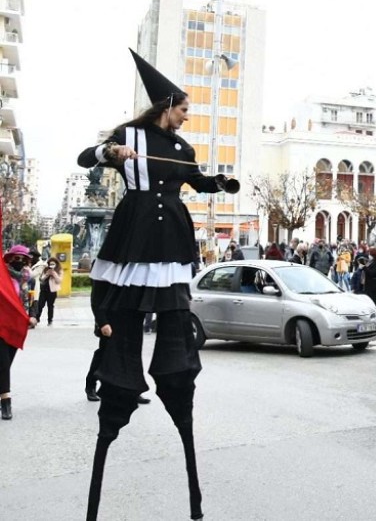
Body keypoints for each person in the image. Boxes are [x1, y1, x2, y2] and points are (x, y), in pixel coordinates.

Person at [76, 49, 239, 521]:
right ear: (168, 105)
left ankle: (177, 398)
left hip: (172, 239)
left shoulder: (183, 149)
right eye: (184, 109)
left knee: (174, 333)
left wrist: (220, 183)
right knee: (123, 326)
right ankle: (115, 387)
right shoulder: (129, 136)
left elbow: (196, 182)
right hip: (135, 231)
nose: (188, 116)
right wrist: (111, 153)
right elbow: (86, 157)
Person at [0, 245, 39, 420]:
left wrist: (33, 316)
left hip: (18, 325)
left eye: (24, 259)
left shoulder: (28, 278)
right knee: (3, 362)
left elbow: (33, 299)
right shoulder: (3, 277)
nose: (20, 261)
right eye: (17, 258)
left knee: (6, 363)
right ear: (9, 259)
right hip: (2, 323)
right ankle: (5, 401)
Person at [35, 257, 63, 327]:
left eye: (53, 264)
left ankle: (50, 320)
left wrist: (54, 273)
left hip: (52, 291)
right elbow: (41, 279)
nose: (51, 265)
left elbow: (59, 281)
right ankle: (37, 318)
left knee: (50, 306)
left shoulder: (59, 270)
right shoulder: (45, 269)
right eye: (50, 264)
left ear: (56, 264)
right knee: (40, 304)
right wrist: (47, 274)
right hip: (44, 290)